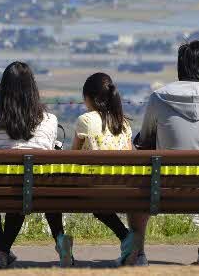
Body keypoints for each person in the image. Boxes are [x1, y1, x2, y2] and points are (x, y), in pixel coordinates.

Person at [124, 40, 199, 266]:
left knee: (138, 181)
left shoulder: (158, 97)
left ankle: (139, 254)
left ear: (180, 71)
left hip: (163, 189)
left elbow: (145, 142)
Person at [0, 61, 73, 269]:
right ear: (33, 89)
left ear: (3, 89)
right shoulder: (50, 120)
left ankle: (2, 251)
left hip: (0, 192)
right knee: (26, 187)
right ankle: (59, 242)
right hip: (38, 192)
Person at [71, 72, 134, 263]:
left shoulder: (86, 120)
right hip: (123, 186)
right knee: (98, 201)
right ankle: (126, 238)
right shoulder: (123, 123)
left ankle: (125, 236)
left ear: (88, 98)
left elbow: (72, 155)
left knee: (94, 200)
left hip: (95, 188)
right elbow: (130, 154)